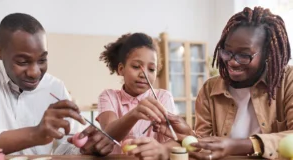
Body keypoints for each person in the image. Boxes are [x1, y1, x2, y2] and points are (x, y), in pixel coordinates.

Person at [152, 6, 293, 160]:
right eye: (227, 52)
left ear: (267, 54)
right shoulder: (210, 90)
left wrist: (238, 145)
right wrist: (187, 135)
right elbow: (205, 151)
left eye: (244, 55)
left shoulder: (288, 81)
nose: (232, 62)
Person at [0, 13, 114, 157]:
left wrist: (86, 146)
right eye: (22, 62)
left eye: (42, 60)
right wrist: (35, 134)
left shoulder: (55, 87)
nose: (34, 72)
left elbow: (66, 149)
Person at [96, 33, 180, 159]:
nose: (144, 74)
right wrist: (133, 114)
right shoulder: (109, 96)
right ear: (121, 69)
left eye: (151, 69)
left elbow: (176, 141)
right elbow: (108, 135)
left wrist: (161, 149)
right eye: (136, 66)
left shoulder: (163, 97)